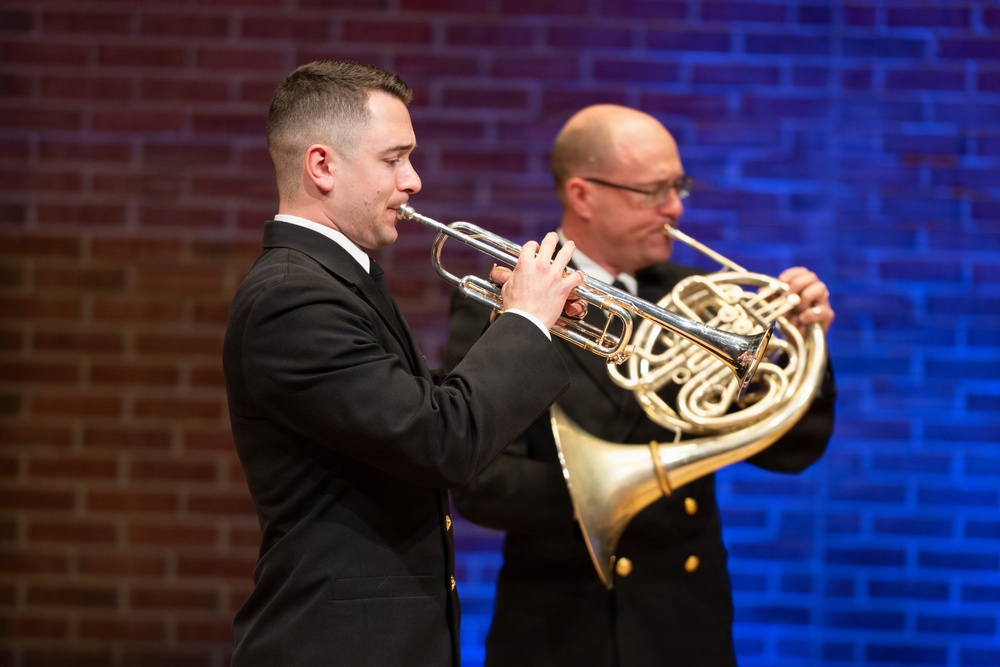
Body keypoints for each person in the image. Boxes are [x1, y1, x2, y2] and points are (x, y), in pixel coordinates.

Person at [442, 104, 837, 667]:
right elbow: (479, 477)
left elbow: (795, 451)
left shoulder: (704, 293)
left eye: (678, 187)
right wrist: (612, 491)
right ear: (583, 195)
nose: (674, 208)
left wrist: (797, 350)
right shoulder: (511, 297)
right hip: (561, 629)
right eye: (653, 192)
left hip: (684, 623)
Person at [222, 60, 587, 667]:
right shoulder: (294, 297)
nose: (414, 180)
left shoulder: (338, 278)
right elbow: (442, 443)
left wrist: (512, 326)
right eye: (394, 159)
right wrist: (526, 323)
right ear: (322, 166)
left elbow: (414, 410)